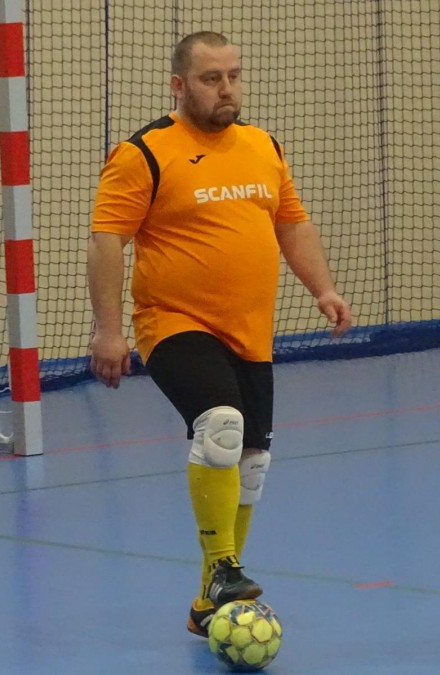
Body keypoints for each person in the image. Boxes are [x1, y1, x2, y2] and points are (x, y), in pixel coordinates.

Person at [86, 30, 351, 637]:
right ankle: (226, 567)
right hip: (173, 322)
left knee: (252, 461)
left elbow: (292, 224)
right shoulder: (144, 153)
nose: (226, 88)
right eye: (211, 78)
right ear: (179, 86)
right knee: (221, 425)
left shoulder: (263, 146)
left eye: (234, 75)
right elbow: (106, 241)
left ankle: (209, 598)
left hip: (250, 331)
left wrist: (324, 289)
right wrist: (108, 331)